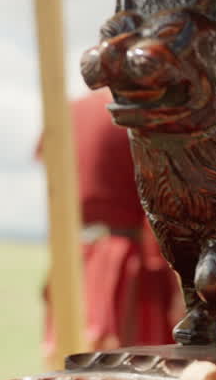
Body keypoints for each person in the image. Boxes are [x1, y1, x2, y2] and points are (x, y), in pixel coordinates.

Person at [38, 89, 178, 365]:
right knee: (131, 372)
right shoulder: (145, 113)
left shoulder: (68, 111)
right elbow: (162, 201)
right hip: (126, 262)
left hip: (77, 256)